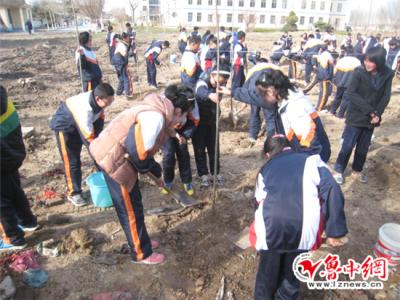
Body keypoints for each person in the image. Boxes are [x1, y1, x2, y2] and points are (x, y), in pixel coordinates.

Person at [89, 85, 191, 264]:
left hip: (119, 157)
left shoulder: (157, 110)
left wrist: (152, 169)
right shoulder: (155, 118)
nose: (182, 122)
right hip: (112, 160)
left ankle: (141, 241)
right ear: (178, 110)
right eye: (184, 117)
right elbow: (139, 154)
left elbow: (141, 147)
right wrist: (154, 171)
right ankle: (141, 253)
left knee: (134, 204)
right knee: (130, 211)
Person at [250, 135, 348, 300]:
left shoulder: (265, 169)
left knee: (267, 273)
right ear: (290, 147)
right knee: (293, 272)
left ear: (268, 154)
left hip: (271, 227)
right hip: (304, 229)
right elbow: (332, 188)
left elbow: (259, 200)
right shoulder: (312, 160)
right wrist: (334, 231)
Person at [233, 65, 331, 162]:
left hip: (311, 159)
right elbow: (255, 97)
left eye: (262, 94)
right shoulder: (284, 96)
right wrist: (232, 92)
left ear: (271, 92)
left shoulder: (295, 109)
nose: (261, 98)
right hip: (299, 152)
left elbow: (311, 145)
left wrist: (303, 168)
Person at [333, 47, 394, 184]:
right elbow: (351, 93)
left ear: (379, 62)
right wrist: (370, 112)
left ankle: (357, 170)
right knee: (348, 145)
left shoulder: (388, 74)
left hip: (372, 119)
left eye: (371, 61)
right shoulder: (359, 71)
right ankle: (338, 169)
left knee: (363, 147)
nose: (367, 64)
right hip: (356, 115)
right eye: (365, 60)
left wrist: (377, 114)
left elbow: (386, 96)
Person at [50, 83, 115, 206]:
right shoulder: (84, 110)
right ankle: (73, 193)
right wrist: (100, 154)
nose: (108, 105)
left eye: (111, 102)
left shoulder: (99, 101)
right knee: (72, 161)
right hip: (66, 128)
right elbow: (89, 139)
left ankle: (106, 180)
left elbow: (99, 122)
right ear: (98, 99)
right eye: (108, 103)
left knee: (99, 152)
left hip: (82, 125)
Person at [0, 86, 39, 251]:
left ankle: (13, 238)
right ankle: (27, 221)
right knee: (14, 188)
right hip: (12, 150)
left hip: (3, 152)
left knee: (1, 201)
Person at [192, 64, 231, 187]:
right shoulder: (202, 82)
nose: (218, 85)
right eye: (217, 82)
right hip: (199, 122)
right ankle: (203, 174)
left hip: (213, 121)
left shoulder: (221, 84)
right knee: (199, 148)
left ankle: (215, 172)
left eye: (223, 82)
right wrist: (210, 95)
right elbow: (201, 91)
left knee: (214, 147)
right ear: (213, 75)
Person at [161, 85, 199, 196]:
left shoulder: (191, 106)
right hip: (167, 130)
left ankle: (187, 182)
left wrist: (185, 136)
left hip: (182, 130)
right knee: (168, 154)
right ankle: (167, 181)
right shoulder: (166, 105)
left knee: (183, 153)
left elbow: (195, 121)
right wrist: (171, 132)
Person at [233, 63, 278, 143]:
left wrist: (245, 101)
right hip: (270, 89)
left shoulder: (253, 71)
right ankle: (271, 138)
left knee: (254, 112)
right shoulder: (274, 68)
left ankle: (252, 136)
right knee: (270, 115)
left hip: (254, 89)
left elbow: (245, 90)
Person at [111, 33, 132, 98]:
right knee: (125, 78)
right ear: (125, 38)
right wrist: (132, 53)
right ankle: (127, 94)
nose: (129, 39)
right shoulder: (122, 45)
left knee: (121, 78)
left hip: (116, 61)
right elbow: (125, 55)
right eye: (128, 38)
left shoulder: (122, 44)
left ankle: (119, 92)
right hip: (120, 62)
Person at [231, 31, 247, 96]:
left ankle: (241, 92)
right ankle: (234, 93)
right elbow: (241, 54)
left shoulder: (240, 45)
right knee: (237, 80)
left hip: (240, 64)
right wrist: (245, 48)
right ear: (242, 37)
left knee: (242, 79)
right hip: (237, 64)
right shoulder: (238, 45)